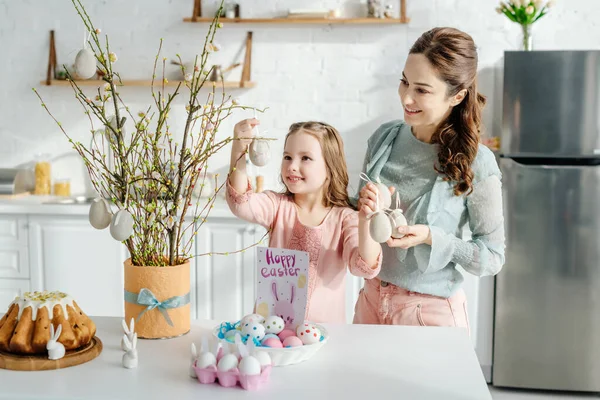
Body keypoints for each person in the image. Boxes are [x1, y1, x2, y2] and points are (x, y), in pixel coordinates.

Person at [353, 27, 505, 331]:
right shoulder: (384, 139)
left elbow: (492, 258)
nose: (406, 97)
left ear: (457, 96)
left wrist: (432, 238)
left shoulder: (477, 162)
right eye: (404, 82)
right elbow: (357, 220)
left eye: (422, 89)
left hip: (430, 313)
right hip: (371, 301)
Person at [226, 120, 382, 323]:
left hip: (324, 336)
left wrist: (366, 221)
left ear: (330, 168)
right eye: (287, 157)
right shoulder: (277, 206)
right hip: (272, 333)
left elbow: (364, 268)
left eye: (305, 158)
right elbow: (240, 202)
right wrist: (238, 148)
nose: (292, 166)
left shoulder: (345, 218)